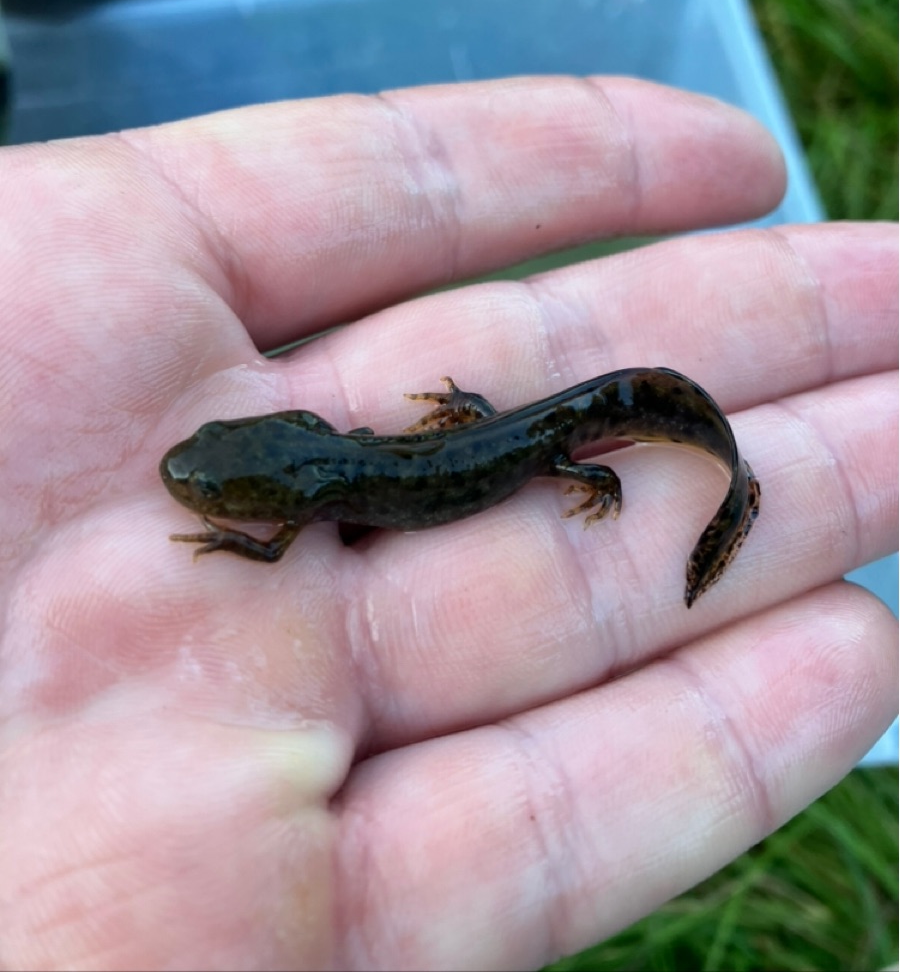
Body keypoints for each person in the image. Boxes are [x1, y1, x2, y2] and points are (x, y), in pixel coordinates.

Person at [0, 75, 895, 970]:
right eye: (210, 487)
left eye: (212, 488)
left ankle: (691, 480)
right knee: (529, 439)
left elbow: (272, 554)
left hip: (526, 446)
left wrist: (229, 537)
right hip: (490, 438)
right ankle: (547, 442)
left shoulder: (306, 502)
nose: (194, 486)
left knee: (557, 452)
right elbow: (308, 445)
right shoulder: (315, 470)